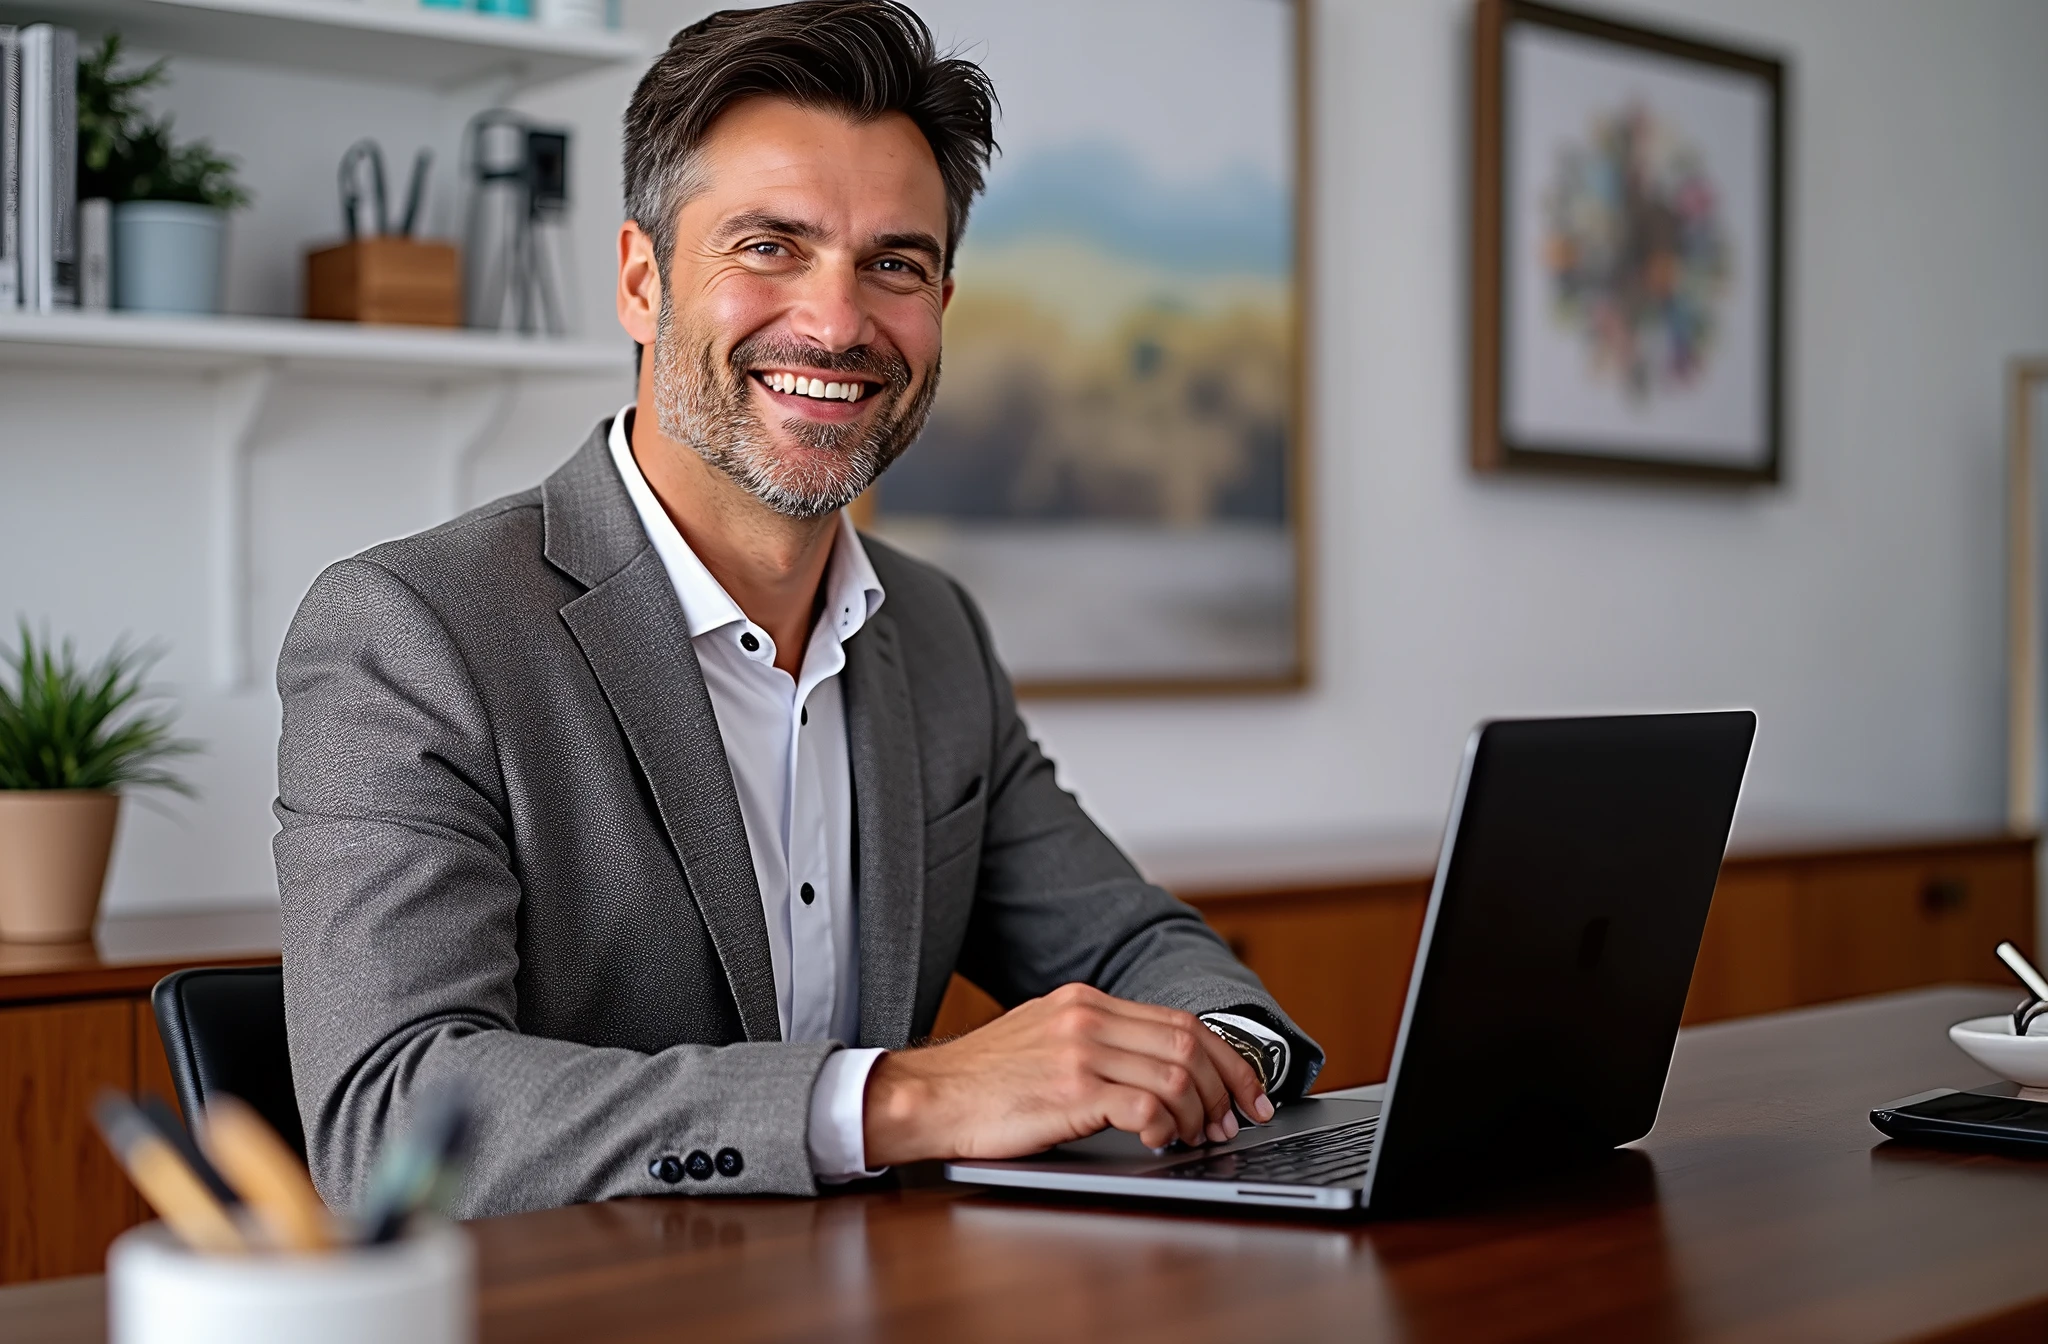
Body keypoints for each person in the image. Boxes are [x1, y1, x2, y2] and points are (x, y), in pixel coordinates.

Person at [275, 0, 1321, 1216]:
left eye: (895, 264)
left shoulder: (932, 634)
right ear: (639, 280)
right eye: (768, 246)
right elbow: (391, 1116)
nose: (836, 323)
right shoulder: (410, 631)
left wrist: (1226, 1058)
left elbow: (1139, 950)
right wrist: (902, 1100)